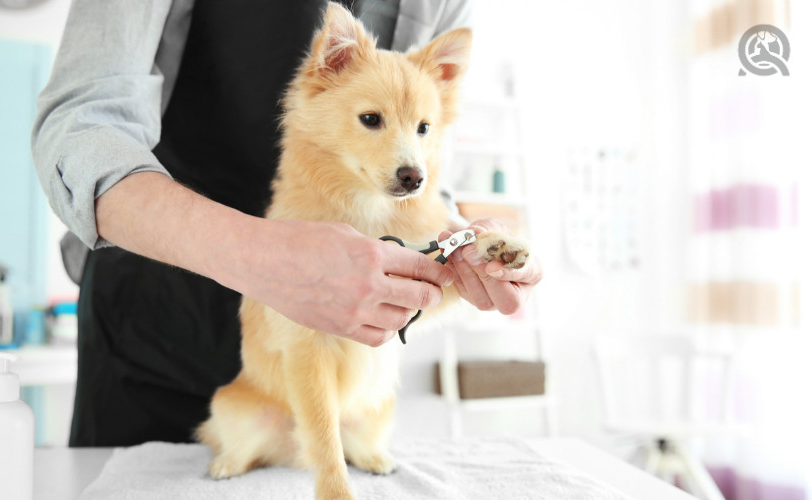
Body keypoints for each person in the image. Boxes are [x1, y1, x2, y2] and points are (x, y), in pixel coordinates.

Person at [31, 0, 543, 447]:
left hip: (327, 381)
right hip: (152, 335)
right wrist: (260, 256)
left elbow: (419, 175)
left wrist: (460, 246)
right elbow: (82, 127)